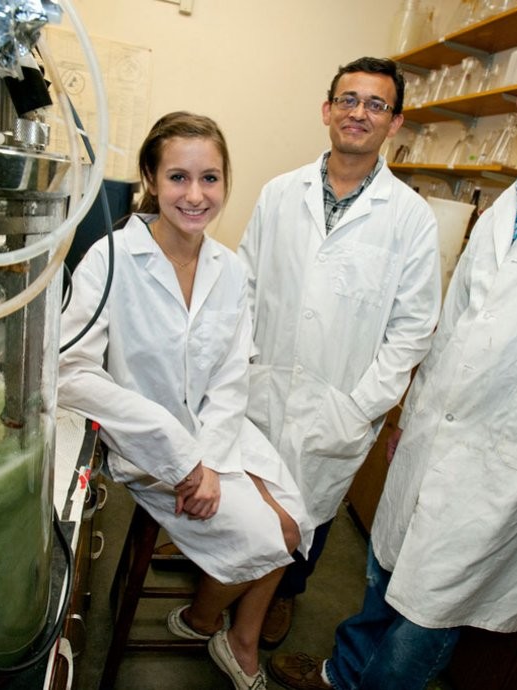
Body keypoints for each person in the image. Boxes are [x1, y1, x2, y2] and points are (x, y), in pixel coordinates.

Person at [269, 23, 517, 690]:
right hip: (437, 434)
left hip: (516, 460)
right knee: (385, 573)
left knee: (428, 616)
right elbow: (453, 328)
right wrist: (409, 417)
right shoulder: (505, 206)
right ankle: (340, 677)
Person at [57, 111, 314, 690]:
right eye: (178, 177)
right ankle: (210, 624)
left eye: (210, 179)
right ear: (151, 177)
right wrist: (180, 455)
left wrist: (212, 461)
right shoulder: (113, 257)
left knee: (297, 520)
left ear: (226, 182)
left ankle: (226, 631)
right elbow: (70, 370)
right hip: (147, 445)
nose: (195, 196)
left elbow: (229, 375)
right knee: (270, 536)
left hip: (219, 432)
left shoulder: (229, 267)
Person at [237, 56, 442, 648]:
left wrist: (360, 407)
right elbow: (245, 285)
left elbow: (412, 329)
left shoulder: (411, 219)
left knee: (310, 513)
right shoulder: (281, 193)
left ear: (395, 122)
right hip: (263, 383)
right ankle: (227, 585)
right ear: (327, 110)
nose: (360, 113)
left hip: (339, 401)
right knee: (248, 499)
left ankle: (281, 597)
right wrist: (240, 365)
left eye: (376, 104)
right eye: (349, 100)